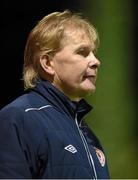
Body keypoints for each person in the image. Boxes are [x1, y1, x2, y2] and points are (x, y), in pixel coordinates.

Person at [0, 10, 110, 179]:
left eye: (94, 53)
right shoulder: (17, 118)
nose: (96, 61)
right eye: (82, 52)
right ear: (48, 63)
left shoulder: (86, 133)